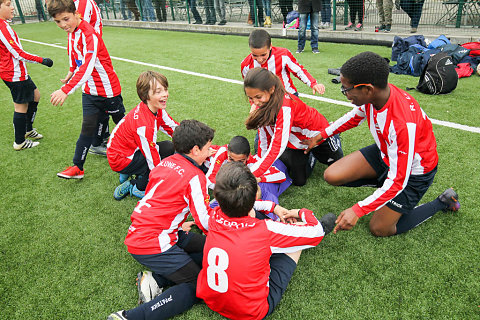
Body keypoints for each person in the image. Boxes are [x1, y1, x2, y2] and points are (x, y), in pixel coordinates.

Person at [303, 51, 461, 237]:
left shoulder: (402, 124)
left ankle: (443, 201)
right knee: (332, 175)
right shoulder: (378, 95)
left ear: (368, 89)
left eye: (346, 89)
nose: (345, 94)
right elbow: (355, 116)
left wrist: (358, 209)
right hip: (387, 153)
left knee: (380, 228)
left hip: (413, 173)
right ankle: (383, 189)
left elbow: (399, 180)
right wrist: (321, 135)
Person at [197, 161, 336, 320]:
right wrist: (301, 211)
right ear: (256, 194)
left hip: (211, 300)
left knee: (260, 234)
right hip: (251, 312)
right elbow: (315, 232)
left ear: (216, 196)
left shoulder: (213, 215)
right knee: (294, 237)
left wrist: (272, 207)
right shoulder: (266, 230)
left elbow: (241, 205)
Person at [106, 120, 216, 320]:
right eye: (208, 148)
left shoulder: (166, 161)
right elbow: (205, 222)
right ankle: (130, 317)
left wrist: (177, 223)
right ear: (195, 150)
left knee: (211, 247)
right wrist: (236, 227)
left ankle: (154, 279)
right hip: (154, 242)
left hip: (150, 233)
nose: (210, 152)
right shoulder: (195, 176)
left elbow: (158, 198)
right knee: (200, 285)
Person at [48, 0, 125, 179]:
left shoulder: (90, 34)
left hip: (108, 90)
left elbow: (88, 66)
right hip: (89, 90)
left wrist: (66, 89)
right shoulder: (72, 32)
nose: (63, 25)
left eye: (66, 19)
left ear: (76, 13)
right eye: (58, 22)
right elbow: (76, 55)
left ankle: (141, 152)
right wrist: (71, 71)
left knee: (122, 125)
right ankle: (78, 167)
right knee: (87, 127)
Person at [244, 67, 343, 187]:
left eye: (258, 97)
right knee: (299, 181)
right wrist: (260, 164)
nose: (255, 102)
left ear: (271, 89)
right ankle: (308, 154)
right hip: (295, 140)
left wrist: (251, 175)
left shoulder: (285, 106)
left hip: (317, 134)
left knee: (337, 165)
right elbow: (264, 138)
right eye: (250, 98)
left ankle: (332, 133)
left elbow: (277, 146)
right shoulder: (261, 104)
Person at [107, 71, 177, 200]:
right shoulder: (144, 125)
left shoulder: (155, 108)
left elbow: (173, 128)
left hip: (123, 151)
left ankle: (127, 172)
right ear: (146, 96)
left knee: (168, 146)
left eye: (165, 89)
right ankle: (137, 187)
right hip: (120, 159)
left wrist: (193, 140)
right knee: (157, 161)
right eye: (158, 92)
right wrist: (162, 183)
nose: (165, 94)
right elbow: (152, 159)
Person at [0, 0, 53, 151]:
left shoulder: (4, 25)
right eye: (8, 4)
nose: (12, 7)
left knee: (36, 95)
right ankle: (19, 142)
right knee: (21, 106)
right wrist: (43, 60)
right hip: (14, 75)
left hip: (16, 73)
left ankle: (28, 129)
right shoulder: (2, 27)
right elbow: (18, 53)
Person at [206, 135, 292, 218]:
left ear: (247, 157)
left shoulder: (253, 162)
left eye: (240, 161)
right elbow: (209, 179)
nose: (234, 164)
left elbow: (281, 175)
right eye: (231, 159)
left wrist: (259, 179)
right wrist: (228, 189)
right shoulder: (222, 152)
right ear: (228, 152)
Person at [73, 0, 112, 157]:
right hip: (93, 59)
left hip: (95, 56)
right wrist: (68, 87)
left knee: (105, 103)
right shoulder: (83, 3)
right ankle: (96, 143)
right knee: (104, 102)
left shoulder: (88, 3)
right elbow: (78, 33)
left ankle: (101, 137)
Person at [241, 29, 326, 96]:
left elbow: (299, 71)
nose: (259, 59)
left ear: (270, 46)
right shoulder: (246, 65)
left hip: (288, 95)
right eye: (255, 55)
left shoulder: (283, 55)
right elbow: (251, 88)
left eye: (263, 55)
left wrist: (313, 83)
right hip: (266, 102)